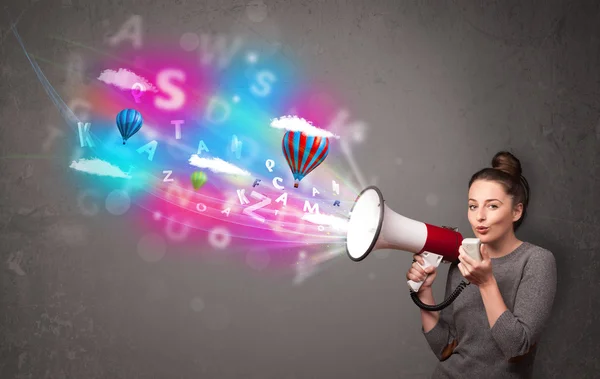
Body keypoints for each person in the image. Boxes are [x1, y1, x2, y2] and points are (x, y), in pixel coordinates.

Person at [406, 151, 557, 379]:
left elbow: (516, 348)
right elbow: (444, 349)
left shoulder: (537, 261)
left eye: (492, 206)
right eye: (473, 206)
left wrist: (486, 283)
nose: (480, 217)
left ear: (517, 211)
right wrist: (425, 292)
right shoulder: (462, 261)